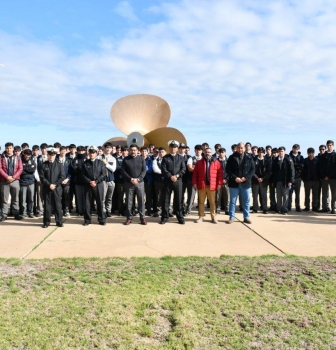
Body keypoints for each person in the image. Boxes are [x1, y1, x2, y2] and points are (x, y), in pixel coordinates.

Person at [226, 142, 255, 224]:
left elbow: (252, 170)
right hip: (234, 183)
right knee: (232, 201)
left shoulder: (249, 157)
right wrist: (235, 178)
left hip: (245, 183)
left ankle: (246, 217)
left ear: (244, 148)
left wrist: (245, 177)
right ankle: (231, 217)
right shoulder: (232, 157)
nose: (240, 149)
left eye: (242, 148)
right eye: (239, 148)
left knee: (246, 201)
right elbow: (228, 170)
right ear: (236, 148)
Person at [192, 147, 223, 223]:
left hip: (212, 186)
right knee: (201, 202)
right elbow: (195, 174)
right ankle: (201, 217)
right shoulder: (199, 162)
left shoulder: (217, 162)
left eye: (209, 152)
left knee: (212, 202)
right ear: (204, 153)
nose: (207, 153)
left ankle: (213, 217)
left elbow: (220, 174)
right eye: (206, 152)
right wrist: (194, 183)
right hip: (202, 185)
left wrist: (219, 183)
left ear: (211, 153)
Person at [160, 140, 186, 225]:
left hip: (178, 181)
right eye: (171, 147)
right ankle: (164, 217)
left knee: (178, 200)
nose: (172, 148)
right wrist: (170, 176)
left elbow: (183, 169)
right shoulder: (165, 158)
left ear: (177, 148)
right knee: (166, 200)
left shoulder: (181, 158)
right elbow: (163, 169)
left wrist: (177, 176)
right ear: (169, 148)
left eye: (174, 147)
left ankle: (180, 217)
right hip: (167, 181)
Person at [39, 147, 65, 228]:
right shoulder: (43, 165)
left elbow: (62, 176)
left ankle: (59, 221)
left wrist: (55, 185)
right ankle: (46, 222)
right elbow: (42, 177)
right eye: (50, 155)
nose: (51, 156)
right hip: (47, 188)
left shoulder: (59, 164)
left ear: (55, 155)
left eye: (53, 155)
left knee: (58, 205)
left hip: (57, 188)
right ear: (47, 155)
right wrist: (49, 184)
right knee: (47, 206)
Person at [122, 144, 147, 225]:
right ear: (129, 150)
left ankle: (142, 218)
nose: (133, 151)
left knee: (141, 201)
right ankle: (129, 218)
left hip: (140, 183)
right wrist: (131, 179)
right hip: (129, 183)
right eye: (131, 150)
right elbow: (123, 171)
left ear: (137, 150)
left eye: (134, 150)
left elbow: (144, 171)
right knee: (129, 201)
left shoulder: (141, 159)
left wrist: (138, 179)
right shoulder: (126, 159)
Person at [81, 146, 107, 226]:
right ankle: (87, 220)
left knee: (100, 203)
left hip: (98, 185)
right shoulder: (85, 163)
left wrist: (96, 181)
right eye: (90, 153)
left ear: (96, 153)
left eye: (93, 153)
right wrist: (89, 181)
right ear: (88, 153)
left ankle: (101, 219)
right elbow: (82, 175)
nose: (92, 154)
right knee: (87, 203)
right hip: (88, 186)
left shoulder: (100, 163)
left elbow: (103, 174)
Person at [0, 142, 23, 221]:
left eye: (10, 148)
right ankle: (4, 215)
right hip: (4, 181)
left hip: (15, 181)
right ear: (5, 148)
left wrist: (13, 177)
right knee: (4, 199)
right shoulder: (1, 157)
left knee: (15, 198)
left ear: (13, 149)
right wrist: (7, 177)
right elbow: (0, 169)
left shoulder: (18, 157)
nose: (9, 149)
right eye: (7, 148)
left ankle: (16, 214)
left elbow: (20, 169)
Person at [271, 146, 295, 215]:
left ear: (284, 152)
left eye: (282, 151)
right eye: (279, 151)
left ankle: (284, 209)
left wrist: (290, 181)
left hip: (285, 181)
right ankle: (278, 209)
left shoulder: (288, 160)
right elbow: (273, 171)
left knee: (285, 196)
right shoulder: (275, 160)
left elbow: (292, 171)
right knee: (278, 196)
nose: (281, 153)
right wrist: (273, 181)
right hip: (277, 181)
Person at [251, 147, 272, 214]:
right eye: (259, 152)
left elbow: (269, 171)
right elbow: (252, 170)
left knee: (264, 195)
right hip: (255, 180)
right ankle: (255, 208)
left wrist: (263, 178)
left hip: (264, 181)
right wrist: (257, 178)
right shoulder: (254, 160)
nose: (260, 154)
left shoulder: (267, 161)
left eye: (262, 152)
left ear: (264, 153)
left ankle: (265, 208)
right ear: (258, 153)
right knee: (255, 195)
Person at [319, 140, 336, 214]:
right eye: (328, 145)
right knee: (325, 193)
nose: (329, 146)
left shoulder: (335, 155)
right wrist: (324, 176)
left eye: (330, 145)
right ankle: (325, 208)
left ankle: (333, 208)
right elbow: (320, 167)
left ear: (333, 146)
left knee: (334, 194)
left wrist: (329, 176)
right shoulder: (323, 156)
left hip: (333, 178)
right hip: (324, 178)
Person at [185, 144, 203, 215]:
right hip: (192, 179)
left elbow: (205, 170)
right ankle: (188, 210)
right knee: (191, 196)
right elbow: (189, 168)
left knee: (201, 196)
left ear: (201, 151)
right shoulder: (191, 159)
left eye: (199, 150)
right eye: (197, 150)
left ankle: (200, 211)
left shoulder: (203, 159)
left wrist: (194, 167)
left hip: (201, 180)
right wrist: (199, 168)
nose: (198, 151)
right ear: (195, 151)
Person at [19, 149, 36, 218]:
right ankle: (23, 212)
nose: (28, 156)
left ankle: (30, 212)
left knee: (31, 199)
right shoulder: (20, 160)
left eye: (29, 154)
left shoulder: (32, 160)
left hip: (31, 182)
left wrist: (25, 168)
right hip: (23, 182)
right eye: (26, 154)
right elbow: (21, 171)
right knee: (23, 199)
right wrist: (28, 168)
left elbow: (33, 170)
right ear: (24, 154)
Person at [101, 142, 116, 218]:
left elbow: (113, 169)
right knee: (103, 198)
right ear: (104, 148)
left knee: (109, 197)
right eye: (107, 147)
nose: (108, 149)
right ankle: (103, 211)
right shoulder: (99, 158)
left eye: (110, 148)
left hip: (111, 180)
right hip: (102, 180)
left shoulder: (113, 158)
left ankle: (108, 210)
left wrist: (106, 164)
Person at [288, 144, 304, 212]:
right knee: (289, 193)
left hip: (298, 177)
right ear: (292, 149)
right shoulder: (289, 157)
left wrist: (294, 165)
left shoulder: (301, 157)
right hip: (290, 177)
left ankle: (297, 206)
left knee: (297, 193)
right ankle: (289, 206)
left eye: (297, 149)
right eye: (294, 148)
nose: (295, 150)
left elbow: (302, 165)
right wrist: (297, 166)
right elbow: (288, 166)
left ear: (299, 149)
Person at [152, 147, 167, 217]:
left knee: (166, 195)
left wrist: (166, 173)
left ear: (165, 152)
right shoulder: (155, 160)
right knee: (158, 196)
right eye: (160, 152)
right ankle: (158, 210)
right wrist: (165, 172)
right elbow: (155, 170)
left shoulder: (168, 160)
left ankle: (166, 210)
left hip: (167, 181)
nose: (161, 153)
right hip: (158, 181)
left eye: (162, 152)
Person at [140, 147, 154, 216]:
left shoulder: (150, 160)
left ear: (147, 152)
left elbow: (151, 170)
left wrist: (143, 170)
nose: (144, 153)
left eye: (145, 151)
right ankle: (141, 210)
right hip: (140, 180)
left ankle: (148, 210)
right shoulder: (138, 159)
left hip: (148, 180)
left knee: (148, 196)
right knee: (140, 196)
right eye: (142, 151)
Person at [216, 148, 229, 215]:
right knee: (218, 196)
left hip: (226, 182)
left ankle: (227, 209)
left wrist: (226, 179)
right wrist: (220, 180)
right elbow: (214, 172)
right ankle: (218, 209)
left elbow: (230, 172)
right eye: (220, 152)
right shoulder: (216, 161)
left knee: (227, 196)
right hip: (218, 182)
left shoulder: (228, 161)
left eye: (223, 152)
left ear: (225, 153)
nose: (221, 153)